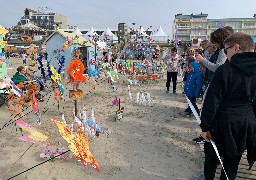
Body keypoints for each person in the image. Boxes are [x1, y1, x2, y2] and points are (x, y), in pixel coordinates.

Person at [200, 32, 256, 180]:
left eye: (226, 50)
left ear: (236, 48)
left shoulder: (225, 70)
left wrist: (205, 127)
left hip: (222, 121)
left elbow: (212, 101)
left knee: (212, 157)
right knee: (233, 162)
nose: (226, 53)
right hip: (246, 122)